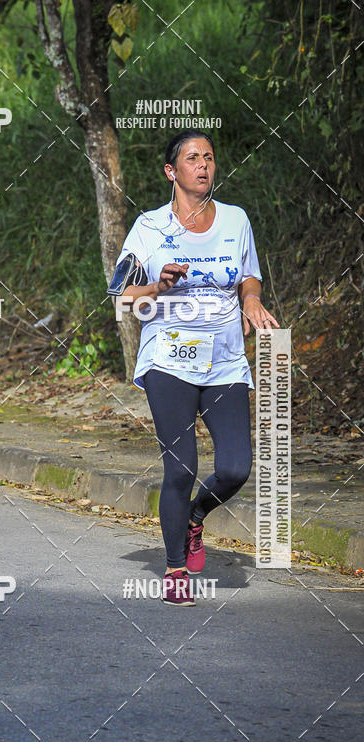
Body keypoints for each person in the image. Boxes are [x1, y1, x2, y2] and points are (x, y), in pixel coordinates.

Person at [111, 130, 279, 606]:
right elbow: (123, 295)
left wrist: (252, 303)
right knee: (181, 467)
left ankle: (194, 517)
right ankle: (174, 568)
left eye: (208, 156)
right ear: (172, 171)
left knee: (235, 468)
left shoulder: (235, 219)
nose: (203, 165)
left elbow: (249, 277)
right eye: (192, 158)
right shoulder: (149, 227)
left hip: (224, 360)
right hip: (169, 358)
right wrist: (158, 286)